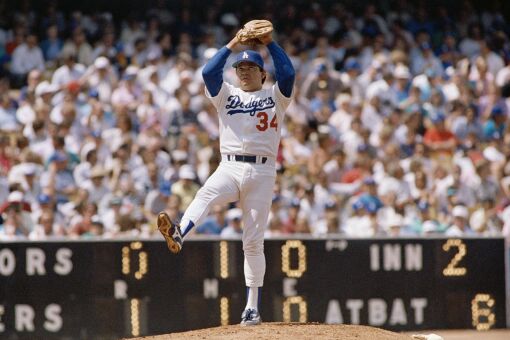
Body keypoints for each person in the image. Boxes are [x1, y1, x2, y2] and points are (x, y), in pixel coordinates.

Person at [157, 25, 295, 326]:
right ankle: (180, 232)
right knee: (205, 193)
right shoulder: (226, 94)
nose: (244, 71)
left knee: (252, 241)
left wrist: (270, 44)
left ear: (262, 73)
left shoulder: (276, 96)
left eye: (251, 67)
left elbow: (287, 74)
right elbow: (208, 72)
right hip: (230, 166)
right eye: (240, 67)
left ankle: (252, 307)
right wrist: (233, 43)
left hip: (262, 170)